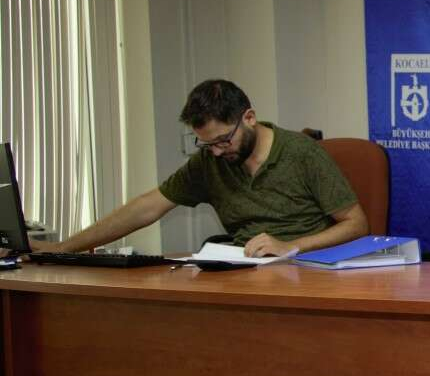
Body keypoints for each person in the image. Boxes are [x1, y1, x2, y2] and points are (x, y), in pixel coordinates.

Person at [28, 79, 366, 257]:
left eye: (223, 140)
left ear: (249, 118)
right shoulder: (210, 162)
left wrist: (291, 246)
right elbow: (146, 207)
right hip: (247, 273)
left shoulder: (301, 153)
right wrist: (63, 248)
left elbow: (357, 225)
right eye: (207, 144)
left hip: (307, 269)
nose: (216, 152)